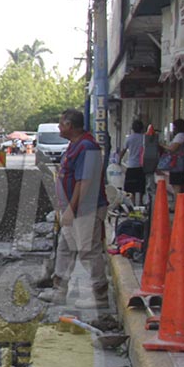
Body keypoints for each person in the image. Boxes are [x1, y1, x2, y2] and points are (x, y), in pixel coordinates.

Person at [38, 108, 109, 308]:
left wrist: (71, 209)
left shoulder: (87, 147)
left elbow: (84, 182)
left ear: (70, 125)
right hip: (73, 210)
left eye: (61, 124)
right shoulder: (74, 145)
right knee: (65, 249)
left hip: (85, 210)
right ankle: (59, 291)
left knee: (88, 251)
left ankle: (99, 297)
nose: (59, 127)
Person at [118, 118, 147, 206]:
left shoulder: (129, 138)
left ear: (132, 128)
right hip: (142, 165)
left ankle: (133, 204)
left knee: (130, 187)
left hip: (131, 165)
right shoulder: (144, 138)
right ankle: (141, 202)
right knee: (141, 186)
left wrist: (118, 161)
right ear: (142, 128)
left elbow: (123, 151)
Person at [164, 118, 184, 196]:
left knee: (176, 185)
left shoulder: (180, 136)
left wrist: (162, 145)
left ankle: (177, 204)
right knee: (178, 184)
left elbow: (173, 148)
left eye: (174, 127)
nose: (173, 129)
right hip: (183, 161)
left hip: (177, 163)